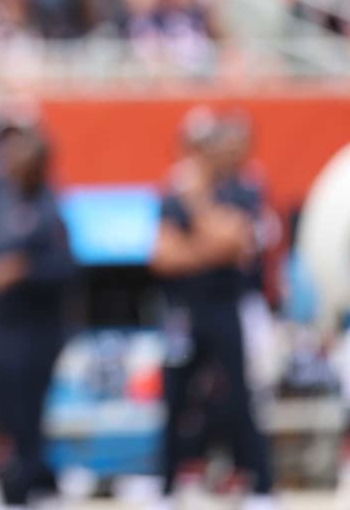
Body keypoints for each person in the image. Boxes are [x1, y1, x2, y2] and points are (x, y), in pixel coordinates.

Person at [151, 108, 275, 510]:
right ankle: (170, 485)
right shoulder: (173, 194)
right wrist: (208, 248)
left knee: (239, 395)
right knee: (176, 398)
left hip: (227, 306)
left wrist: (199, 204)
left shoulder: (241, 188)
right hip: (185, 310)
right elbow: (164, 256)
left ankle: (258, 484)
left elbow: (236, 242)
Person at [0, 127, 77, 508]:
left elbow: (66, 267)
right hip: (3, 323)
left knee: (29, 405)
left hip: (38, 327)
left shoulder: (49, 208)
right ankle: (20, 475)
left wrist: (22, 269)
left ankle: (28, 479)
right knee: (2, 401)